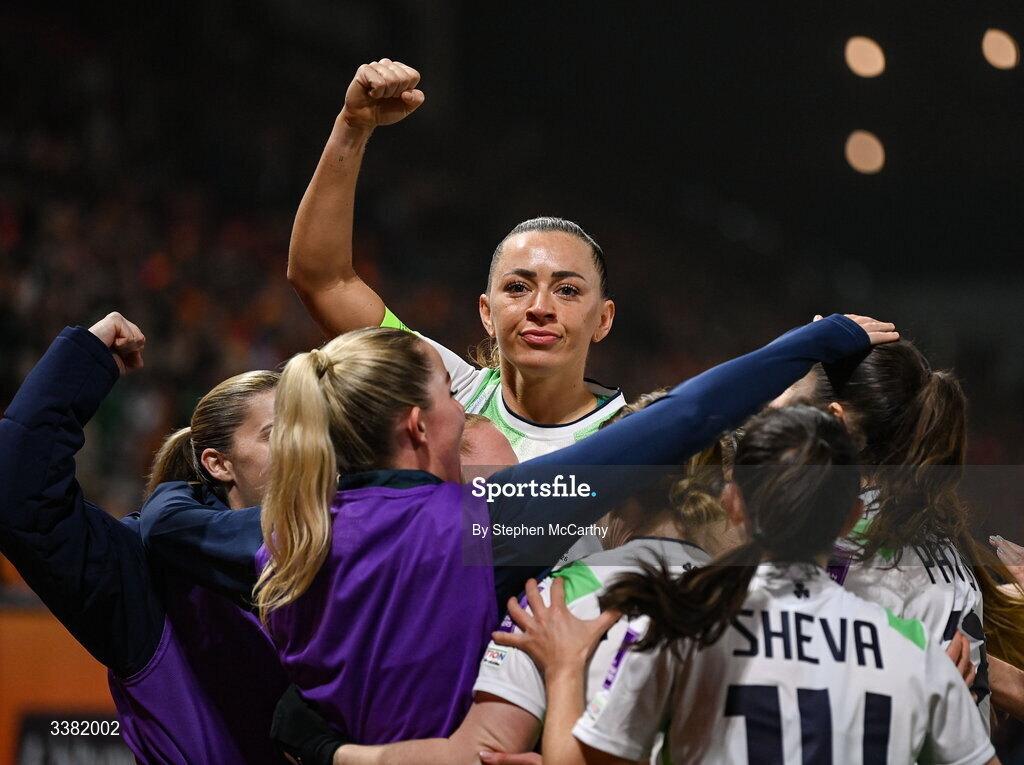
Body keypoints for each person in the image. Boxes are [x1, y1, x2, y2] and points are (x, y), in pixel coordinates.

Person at [140, 313, 898, 755]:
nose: (466, 411)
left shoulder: (281, 538)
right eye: (449, 396)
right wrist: (816, 338)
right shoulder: (489, 523)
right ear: (417, 423)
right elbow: (685, 419)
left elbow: (164, 522)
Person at [497, 405, 998, 765]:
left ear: (734, 502)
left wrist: (564, 669)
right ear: (848, 519)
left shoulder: (677, 622)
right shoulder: (915, 651)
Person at [292, 396, 736, 765]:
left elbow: (476, 756)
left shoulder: (556, 603)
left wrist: (327, 752)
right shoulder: (767, 592)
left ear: (616, 491)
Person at [285, 59, 623, 464]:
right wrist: (352, 127)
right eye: (517, 287)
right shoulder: (448, 391)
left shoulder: (635, 441)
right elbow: (322, 280)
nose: (540, 308)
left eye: (567, 290)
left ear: (603, 319)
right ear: (486, 312)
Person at [0, 312, 289, 764]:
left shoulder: (344, 550)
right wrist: (83, 361)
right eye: (278, 434)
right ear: (219, 464)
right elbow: (18, 492)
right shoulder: (149, 575)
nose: (304, 447)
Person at [779, 339, 1024, 726]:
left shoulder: (846, 547)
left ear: (835, 420)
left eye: (789, 403)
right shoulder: (933, 531)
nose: (773, 420)